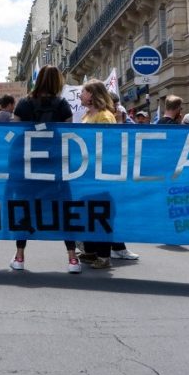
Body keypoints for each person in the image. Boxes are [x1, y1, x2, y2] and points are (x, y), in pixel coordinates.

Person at [10, 65, 81, 273]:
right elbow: (68, 135)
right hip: (56, 166)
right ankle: (72, 259)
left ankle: (20, 256)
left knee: (25, 209)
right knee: (63, 210)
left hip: (29, 167)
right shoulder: (62, 105)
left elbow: (16, 135)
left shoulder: (23, 104)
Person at [77, 80, 118, 270]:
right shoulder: (86, 115)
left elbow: (109, 145)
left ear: (92, 94)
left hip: (100, 172)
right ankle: (91, 250)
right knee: (87, 210)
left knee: (100, 212)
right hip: (86, 172)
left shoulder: (105, 116)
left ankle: (104, 255)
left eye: (83, 92)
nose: (80, 95)